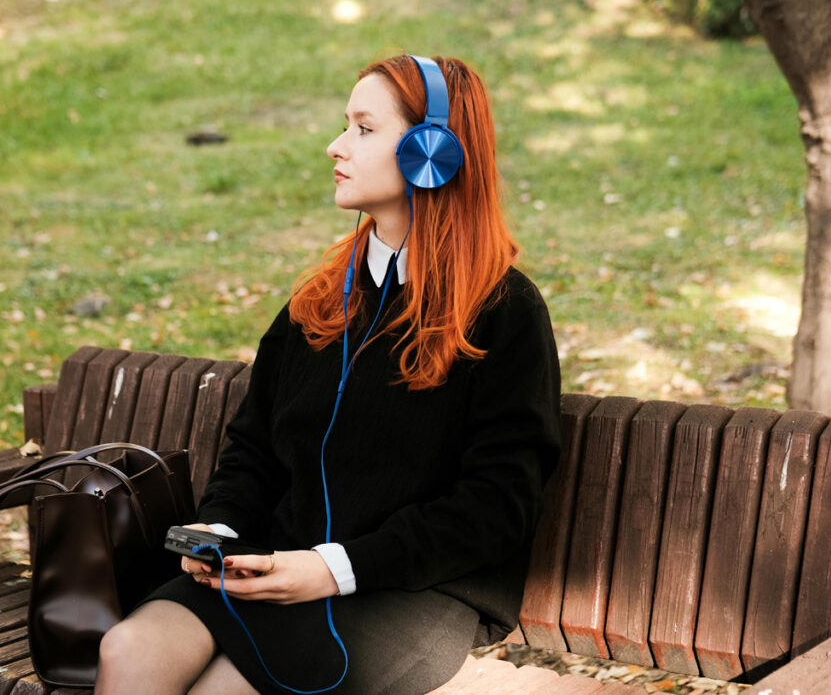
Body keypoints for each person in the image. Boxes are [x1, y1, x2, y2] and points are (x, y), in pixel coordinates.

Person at [94, 54, 562, 695]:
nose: (335, 146)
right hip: (279, 563)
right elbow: (254, 448)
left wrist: (331, 569)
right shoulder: (319, 301)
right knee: (128, 651)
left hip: (414, 590)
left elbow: (496, 508)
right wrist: (219, 530)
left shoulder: (504, 312)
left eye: (364, 129)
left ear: (433, 150)